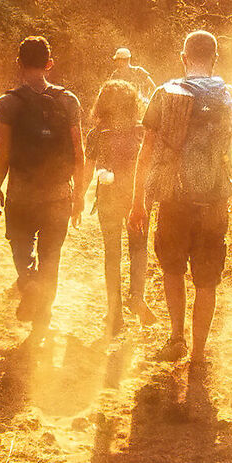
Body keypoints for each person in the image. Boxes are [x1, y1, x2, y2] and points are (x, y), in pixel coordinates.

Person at [129, 29, 232, 366]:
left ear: (184, 58)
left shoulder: (166, 93)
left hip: (174, 200)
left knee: (172, 269)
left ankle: (176, 338)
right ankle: (199, 353)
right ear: (215, 58)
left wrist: (139, 201)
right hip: (214, 202)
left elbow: (147, 152)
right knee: (207, 278)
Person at [0, 35, 87, 345]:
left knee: (21, 247)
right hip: (59, 194)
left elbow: (2, 151)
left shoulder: (8, 103)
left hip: (21, 193)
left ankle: (27, 280)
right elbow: (79, 152)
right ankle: (42, 321)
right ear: (50, 63)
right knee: (51, 257)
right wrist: (80, 195)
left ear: (19, 64)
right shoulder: (68, 100)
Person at [86, 77, 150, 337]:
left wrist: (78, 197)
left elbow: (88, 168)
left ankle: (115, 315)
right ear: (133, 103)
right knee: (139, 248)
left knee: (111, 254)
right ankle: (137, 296)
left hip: (109, 196)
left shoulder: (97, 133)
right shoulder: (141, 131)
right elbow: (149, 165)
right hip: (137, 196)